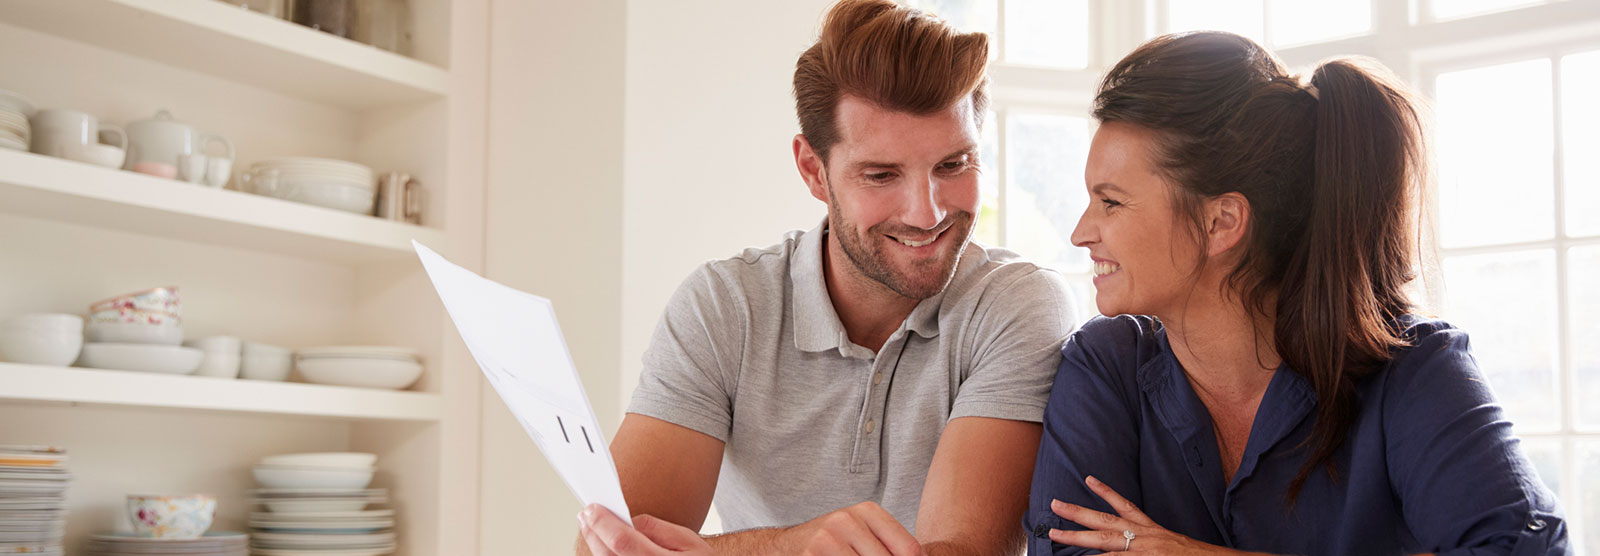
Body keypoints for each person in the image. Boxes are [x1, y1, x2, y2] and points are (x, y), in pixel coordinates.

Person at [1023, 31, 1569, 556]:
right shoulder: (1103, 368)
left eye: (1111, 202)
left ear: (1221, 221)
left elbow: (1525, 548)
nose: (1080, 233)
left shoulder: (1411, 369)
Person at [577, 1, 1080, 554]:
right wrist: (790, 545)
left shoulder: (1015, 304)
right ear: (813, 170)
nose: (926, 212)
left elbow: (965, 551)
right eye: (881, 175)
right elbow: (609, 544)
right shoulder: (725, 306)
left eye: (953, 165)